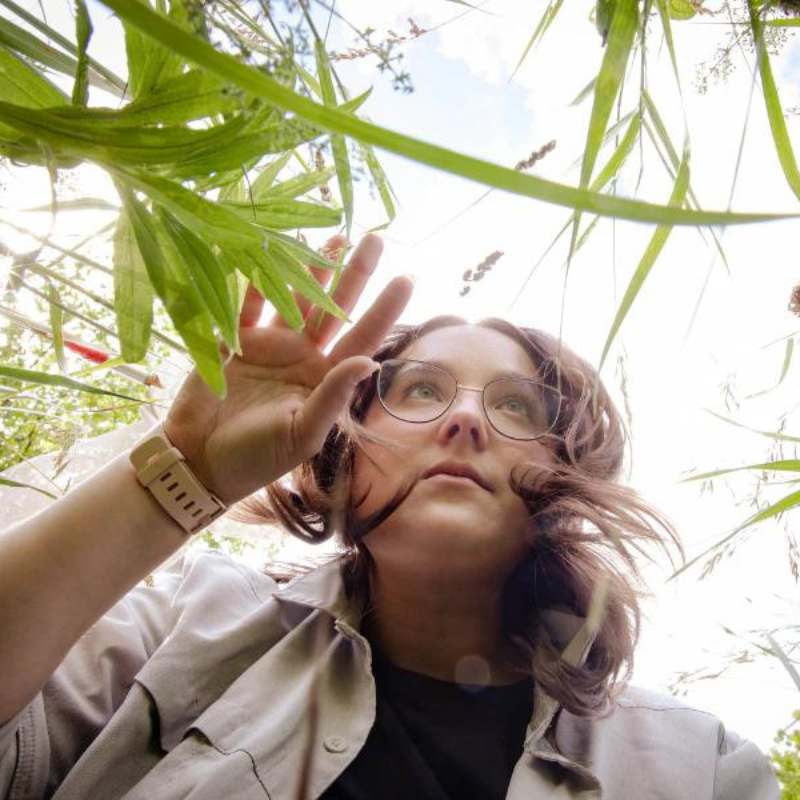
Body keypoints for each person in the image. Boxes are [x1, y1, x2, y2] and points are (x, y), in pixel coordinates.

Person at [0, 234, 779, 799]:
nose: (465, 421)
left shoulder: (703, 770)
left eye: (515, 405)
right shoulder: (182, 628)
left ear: (565, 475)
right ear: (344, 449)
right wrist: (181, 476)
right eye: (420, 390)